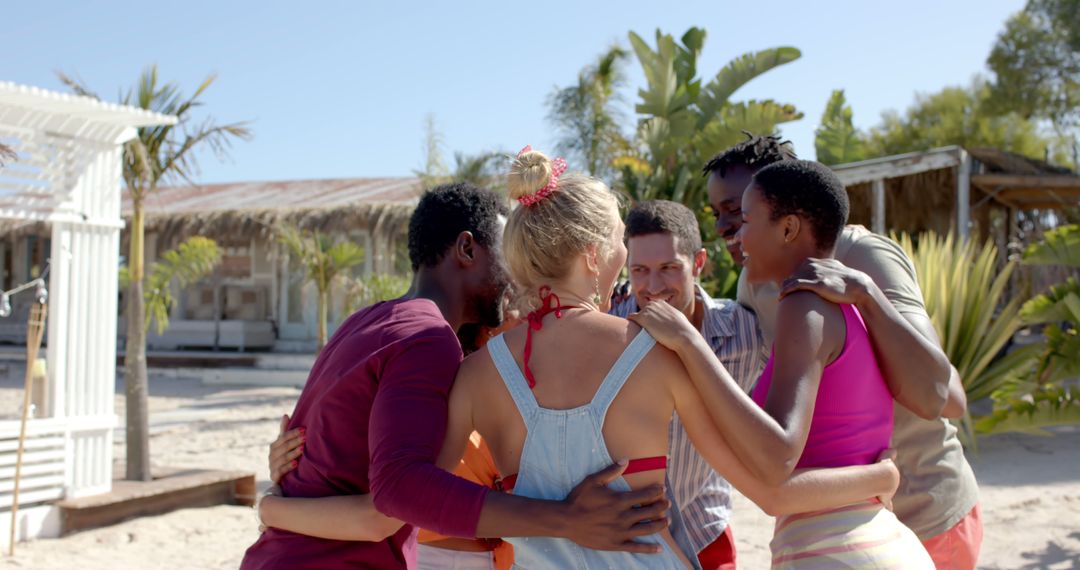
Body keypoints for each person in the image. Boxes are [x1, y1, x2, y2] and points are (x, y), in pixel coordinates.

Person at [258, 150, 901, 568]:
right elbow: (762, 475)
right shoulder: (657, 351)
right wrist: (878, 479)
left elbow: (405, 493)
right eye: (622, 242)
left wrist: (282, 489)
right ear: (595, 255)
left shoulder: (476, 371)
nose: (626, 257)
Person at [241, 182, 673, 569]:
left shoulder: (369, 322)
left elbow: (320, 456)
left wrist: (274, 507)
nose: (520, 269)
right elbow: (391, 501)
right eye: (508, 252)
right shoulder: (428, 337)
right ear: (467, 250)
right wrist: (565, 520)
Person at [632, 160, 934, 568]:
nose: (737, 236)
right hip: (868, 536)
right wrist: (882, 478)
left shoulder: (803, 306)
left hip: (836, 550)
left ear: (789, 229)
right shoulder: (842, 302)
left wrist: (689, 342)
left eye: (748, 220)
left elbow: (776, 459)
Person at [704, 134, 982, 569]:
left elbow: (945, 396)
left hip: (923, 512)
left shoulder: (861, 255)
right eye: (718, 213)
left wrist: (866, 294)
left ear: (784, 206)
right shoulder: (754, 283)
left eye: (739, 211)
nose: (726, 227)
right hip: (836, 526)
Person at [611, 199, 768, 569]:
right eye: (639, 270)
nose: (652, 286)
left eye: (668, 268)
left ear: (698, 263)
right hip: (623, 540)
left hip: (704, 531)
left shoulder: (745, 332)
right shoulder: (607, 329)